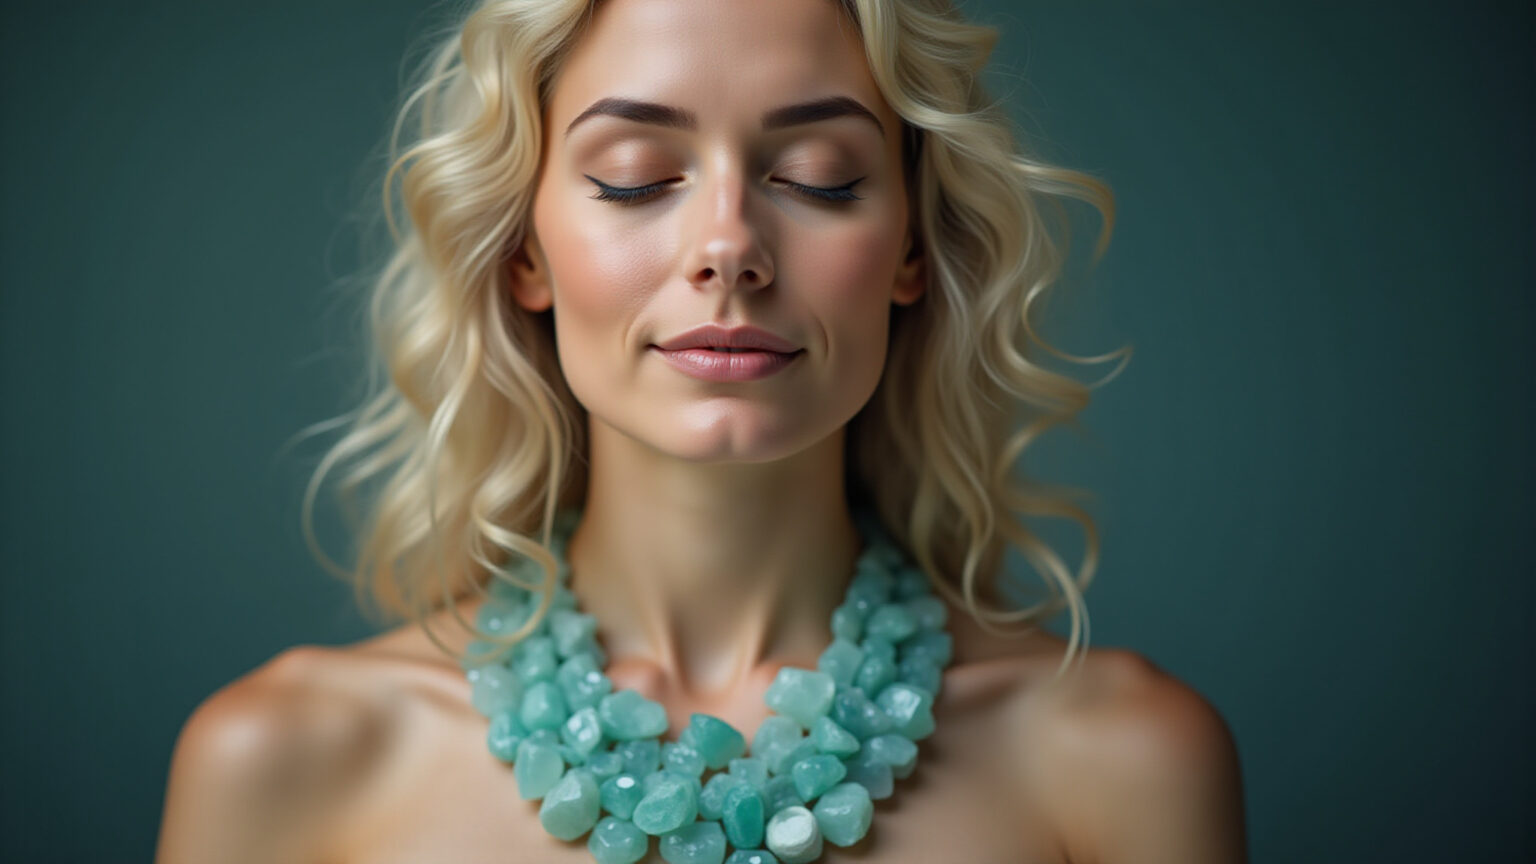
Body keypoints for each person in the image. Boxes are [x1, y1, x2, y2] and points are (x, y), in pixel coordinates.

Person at [156, 0, 1246, 861]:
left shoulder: (1121, 759)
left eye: (820, 178)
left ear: (913, 246)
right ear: (524, 252)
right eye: (634, 180)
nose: (729, 246)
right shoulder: (287, 760)